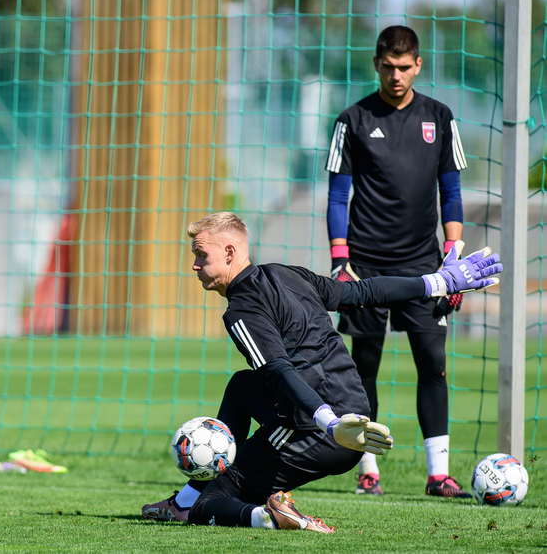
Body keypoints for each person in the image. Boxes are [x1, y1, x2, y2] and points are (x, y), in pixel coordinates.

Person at [141, 212, 500, 531]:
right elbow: (363, 292)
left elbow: (280, 370)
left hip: (321, 431)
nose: (195, 265)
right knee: (242, 386)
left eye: (201, 255)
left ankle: (265, 516)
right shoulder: (286, 274)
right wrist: (438, 282)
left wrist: (328, 423)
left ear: (230, 252)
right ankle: (184, 500)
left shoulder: (240, 311)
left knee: (210, 504)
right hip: (351, 415)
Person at [324, 26, 471, 497]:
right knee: (363, 365)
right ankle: (368, 470)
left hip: (424, 265)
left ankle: (438, 474)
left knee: (432, 361)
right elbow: (337, 196)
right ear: (376, 64)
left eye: (404, 67)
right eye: (388, 66)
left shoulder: (440, 117)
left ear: (418, 65)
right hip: (365, 267)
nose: (396, 75)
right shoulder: (352, 119)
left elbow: (451, 191)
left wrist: (453, 255)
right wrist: (340, 260)